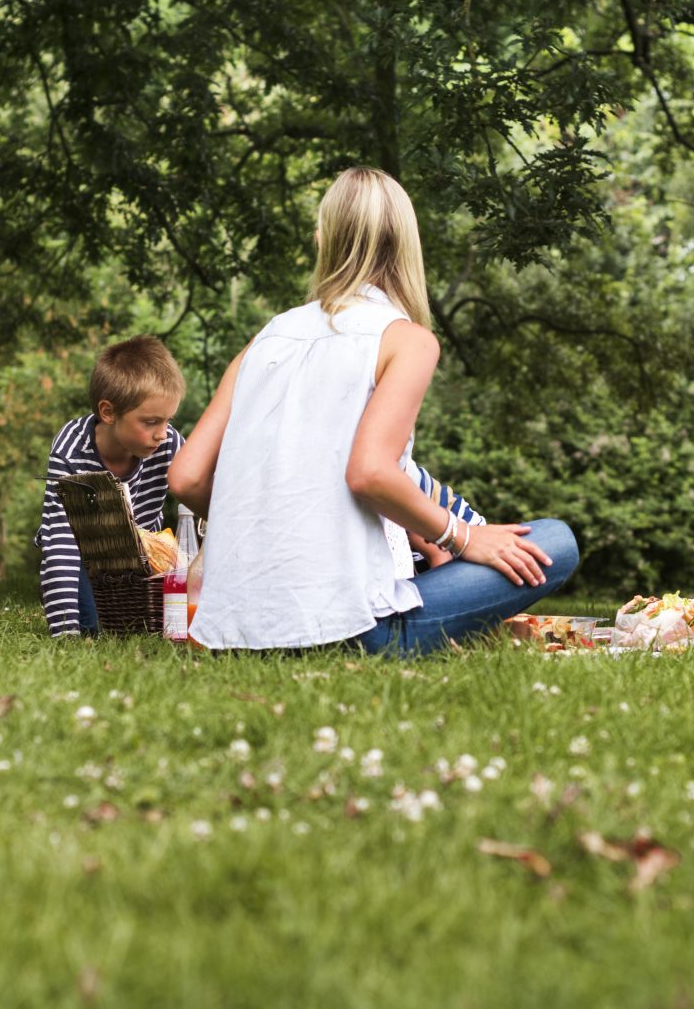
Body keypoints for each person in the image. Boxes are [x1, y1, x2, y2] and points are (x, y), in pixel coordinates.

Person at [168, 167, 580, 655]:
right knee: (556, 541)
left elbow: (187, 476)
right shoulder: (407, 341)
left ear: (324, 239)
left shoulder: (266, 339)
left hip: (232, 633)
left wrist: (265, 527)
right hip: (351, 631)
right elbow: (369, 473)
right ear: (407, 243)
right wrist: (463, 537)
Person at [35, 335, 184, 637]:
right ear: (108, 412)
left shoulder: (168, 444)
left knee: (139, 628)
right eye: (151, 422)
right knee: (91, 629)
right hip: (86, 560)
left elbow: (204, 494)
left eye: (168, 420)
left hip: (142, 559)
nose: (162, 433)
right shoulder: (71, 450)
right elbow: (61, 543)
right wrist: (65, 629)